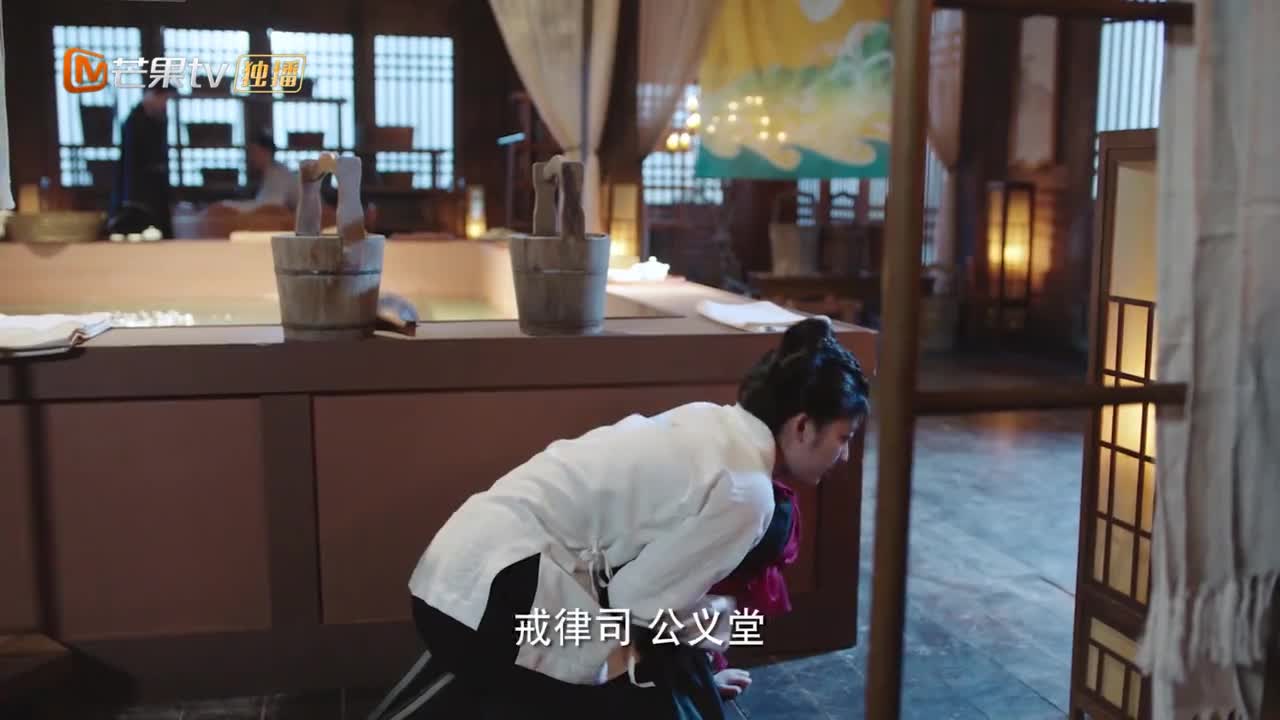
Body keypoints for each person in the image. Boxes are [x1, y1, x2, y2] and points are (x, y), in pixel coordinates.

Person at [380, 318, 871, 720]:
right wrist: (689, 677)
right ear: (802, 426)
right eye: (843, 438)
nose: (845, 455)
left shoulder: (708, 420)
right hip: (492, 605)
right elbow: (638, 604)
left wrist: (689, 674)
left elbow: (638, 598)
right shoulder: (747, 492)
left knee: (651, 687)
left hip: (456, 575)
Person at [108, 86, 177, 237]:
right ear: (152, 95)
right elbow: (130, 162)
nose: (164, 104)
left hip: (155, 183)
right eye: (164, 99)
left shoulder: (158, 118)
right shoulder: (134, 121)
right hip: (137, 185)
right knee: (136, 224)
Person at [217, 131, 299, 212]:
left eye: (255, 152)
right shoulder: (271, 172)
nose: (251, 157)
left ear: (267, 153)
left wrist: (229, 205)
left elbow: (270, 206)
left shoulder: (278, 174)